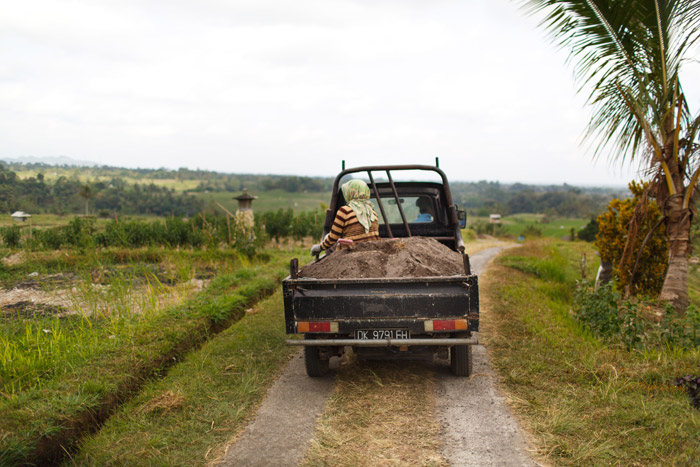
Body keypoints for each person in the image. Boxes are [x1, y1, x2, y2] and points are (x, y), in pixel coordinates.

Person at [310, 179, 380, 256]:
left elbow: (333, 237)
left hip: (351, 252)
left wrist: (320, 247)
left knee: (328, 237)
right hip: (372, 251)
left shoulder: (344, 211)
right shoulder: (372, 211)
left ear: (349, 193)